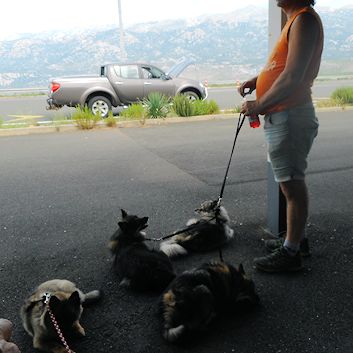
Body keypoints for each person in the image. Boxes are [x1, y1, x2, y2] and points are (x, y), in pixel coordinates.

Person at [239, 0, 324, 272]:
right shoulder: (295, 20)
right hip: (285, 115)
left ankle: (291, 253)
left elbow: (293, 76)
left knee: (292, 186)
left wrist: (259, 104)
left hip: (291, 115)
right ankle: (295, 240)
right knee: (289, 184)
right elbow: (283, 67)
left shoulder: (304, 19)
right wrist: (258, 79)